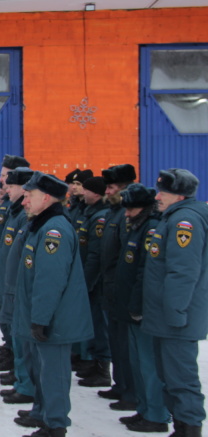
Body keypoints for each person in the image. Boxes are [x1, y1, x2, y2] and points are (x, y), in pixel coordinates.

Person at [13, 172, 93, 437]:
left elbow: (50, 280)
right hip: (45, 317)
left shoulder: (53, 230)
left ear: (46, 197)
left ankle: (55, 426)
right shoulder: (42, 224)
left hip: (54, 321)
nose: (25, 201)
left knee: (55, 375)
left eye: (30, 196)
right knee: (43, 371)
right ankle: (44, 414)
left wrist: (41, 319)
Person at [143, 169, 208, 437]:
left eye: (163, 192)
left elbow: (183, 272)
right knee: (170, 377)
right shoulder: (173, 217)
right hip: (167, 316)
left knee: (181, 378)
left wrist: (175, 313)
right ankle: (181, 427)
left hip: (177, 318)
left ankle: (190, 429)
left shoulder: (185, 222)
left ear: (179, 195)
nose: (157, 197)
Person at [113, 184, 168, 433]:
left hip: (144, 310)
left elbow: (147, 272)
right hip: (131, 309)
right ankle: (144, 409)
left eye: (131, 208)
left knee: (149, 366)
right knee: (137, 364)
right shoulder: (137, 225)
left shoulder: (151, 228)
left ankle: (156, 415)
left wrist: (137, 305)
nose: (126, 213)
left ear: (144, 208)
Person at [87, 164, 137, 408]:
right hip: (110, 287)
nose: (107, 190)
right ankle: (120, 385)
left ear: (124, 188)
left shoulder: (127, 214)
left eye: (111, 187)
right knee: (116, 342)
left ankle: (131, 392)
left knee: (126, 345)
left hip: (121, 289)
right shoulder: (115, 211)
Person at [0, 167, 35, 405]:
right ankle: (22, 381)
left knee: (23, 339)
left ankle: (26, 385)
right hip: (11, 285)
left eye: (9, 186)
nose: (5, 189)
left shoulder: (24, 215)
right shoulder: (16, 211)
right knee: (17, 336)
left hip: (19, 287)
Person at [0, 154, 30, 370]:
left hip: (12, 277)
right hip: (3, 270)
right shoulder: (8, 205)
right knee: (4, 313)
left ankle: (16, 356)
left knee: (12, 317)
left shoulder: (21, 211)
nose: (1, 180)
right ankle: (10, 348)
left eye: (5, 175)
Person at [74, 176, 111, 384]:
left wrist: (87, 282)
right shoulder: (90, 212)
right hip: (89, 279)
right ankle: (93, 363)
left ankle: (102, 369)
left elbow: (95, 255)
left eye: (86, 190)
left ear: (96, 193)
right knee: (92, 323)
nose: (83, 193)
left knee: (99, 325)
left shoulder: (99, 217)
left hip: (96, 282)